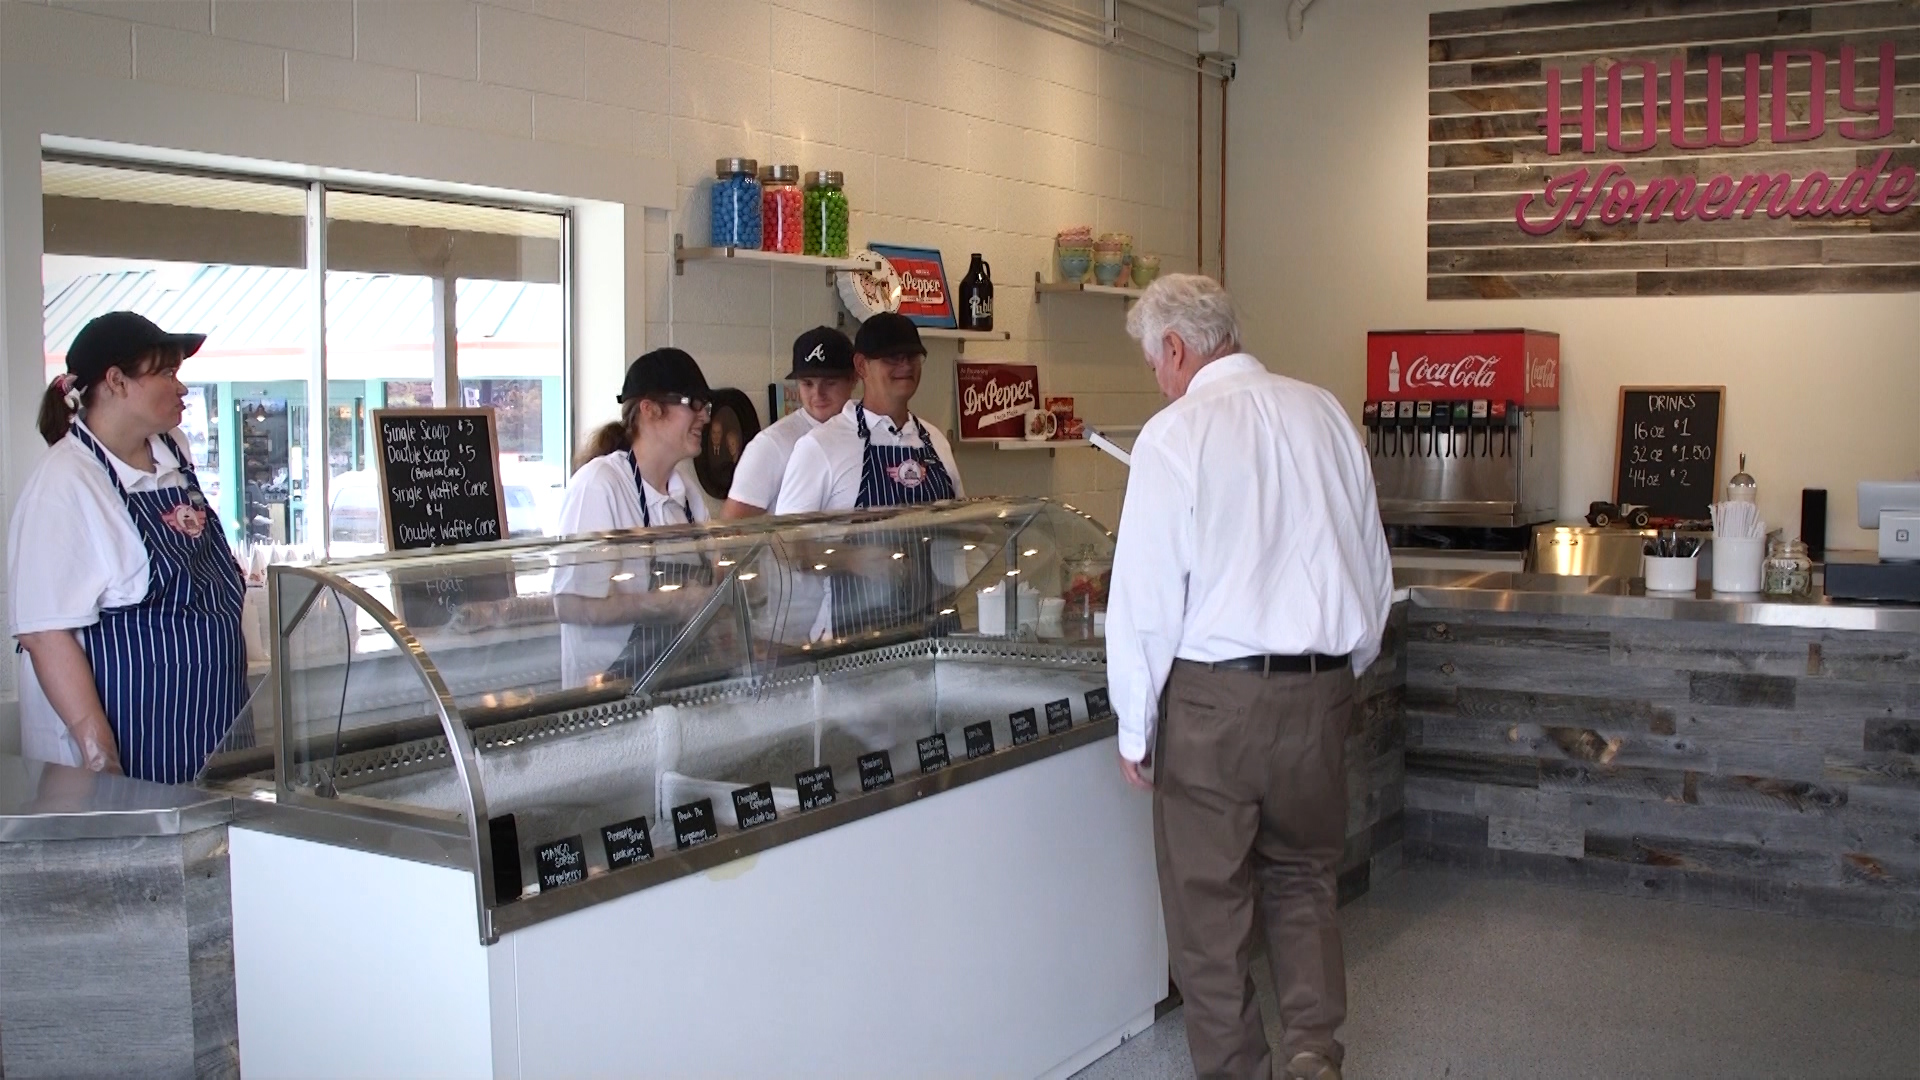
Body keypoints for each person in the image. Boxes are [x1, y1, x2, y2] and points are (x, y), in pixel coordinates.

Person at [1104, 275, 1393, 1080]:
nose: (1158, 382)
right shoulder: (1325, 413)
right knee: (1304, 879)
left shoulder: (1174, 433)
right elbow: (1372, 564)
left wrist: (1135, 724)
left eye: (1154, 364)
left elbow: (1146, 599)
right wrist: (1344, 671)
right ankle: (1313, 1052)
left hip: (1214, 703)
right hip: (1321, 691)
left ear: (1175, 347)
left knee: (1210, 909)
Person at [8, 311, 247, 784]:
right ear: (116, 381)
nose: (181, 388)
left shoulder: (174, 453)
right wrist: (101, 759)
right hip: (133, 758)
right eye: (167, 373)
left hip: (217, 734)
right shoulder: (65, 483)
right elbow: (44, 634)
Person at [774, 313, 965, 641]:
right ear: (861, 366)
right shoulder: (821, 446)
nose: (905, 366)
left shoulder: (935, 441)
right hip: (858, 640)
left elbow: (962, 526)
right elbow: (783, 546)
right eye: (892, 358)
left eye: (912, 357)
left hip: (938, 634)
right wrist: (852, 558)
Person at [552, 348, 716, 689]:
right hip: (608, 697)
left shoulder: (687, 494)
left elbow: (715, 578)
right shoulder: (600, 485)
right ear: (649, 409)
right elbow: (570, 605)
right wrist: (663, 604)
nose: (704, 417)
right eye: (694, 404)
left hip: (679, 686)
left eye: (706, 406)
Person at [722, 326, 860, 519]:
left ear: (853, 379)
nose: (818, 394)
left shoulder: (871, 428)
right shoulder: (771, 444)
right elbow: (732, 527)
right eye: (807, 383)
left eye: (830, 383)